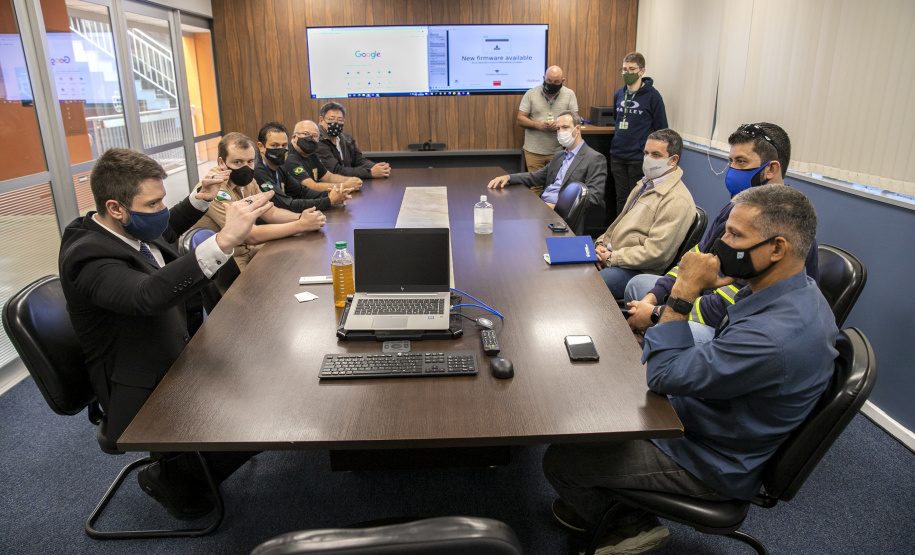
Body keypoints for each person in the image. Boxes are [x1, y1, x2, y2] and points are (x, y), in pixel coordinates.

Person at [544, 185, 838, 554]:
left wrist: (684, 289)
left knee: (562, 459)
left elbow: (663, 375)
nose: (721, 245)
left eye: (734, 235)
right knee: (600, 408)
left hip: (713, 461)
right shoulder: (792, 290)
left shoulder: (771, 337)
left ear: (778, 248)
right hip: (715, 418)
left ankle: (629, 527)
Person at [59, 148, 271, 521]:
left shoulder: (124, 232)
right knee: (258, 413)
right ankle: (172, 476)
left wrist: (197, 198)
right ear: (116, 207)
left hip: (171, 354)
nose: (160, 208)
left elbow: (165, 228)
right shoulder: (88, 256)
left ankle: (190, 467)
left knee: (261, 376)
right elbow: (147, 295)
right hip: (138, 385)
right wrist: (224, 241)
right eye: (152, 202)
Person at [624, 123, 819, 344]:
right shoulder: (736, 207)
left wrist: (658, 312)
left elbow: (730, 303)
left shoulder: (783, 223)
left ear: (771, 169)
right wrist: (654, 297)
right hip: (708, 297)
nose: (732, 169)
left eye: (741, 162)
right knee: (639, 285)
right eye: (731, 161)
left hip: (741, 325)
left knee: (658, 328)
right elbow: (695, 257)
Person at [195, 132, 327, 271]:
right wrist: (300, 225)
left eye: (250, 161)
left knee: (299, 259)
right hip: (227, 261)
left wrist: (304, 218)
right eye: (238, 162)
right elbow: (250, 235)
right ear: (222, 163)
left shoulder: (248, 181)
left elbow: (271, 212)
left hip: (248, 250)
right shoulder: (214, 188)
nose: (246, 167)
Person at [593, 128, 695, 298]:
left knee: (588, 284)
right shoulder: (645, 184)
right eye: (646, 153)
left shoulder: (677, 200)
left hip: (636, 271)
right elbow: (617, 224)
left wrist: (611, 258)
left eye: (656, 155)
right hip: (615, 256)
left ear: (673, 160)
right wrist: (600, 246)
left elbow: (657, 254)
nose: (648, 159)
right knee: (570, 266)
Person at [488, 111, 606, 228]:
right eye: (558, 128)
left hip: (562, 215)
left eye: (565, 127)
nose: (561, 132)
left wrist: (558, 206)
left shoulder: (594, 158)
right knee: (504, 212)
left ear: (578, 129)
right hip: (542, 206)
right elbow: (536, 177)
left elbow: (594, 197)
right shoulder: (559, 156)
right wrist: (508, 177)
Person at [609, 52, 668, 216]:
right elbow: (617, 118)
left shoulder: (653, 96)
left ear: (642, 71)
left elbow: (661, 129)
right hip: (618, 154)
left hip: (639, 157)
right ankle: (617, 234)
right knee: (621, 198)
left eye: (631, 69)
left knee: (638, 198)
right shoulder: (619, 94)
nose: (627, 73)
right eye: (624, 69)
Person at [254, 121, 352, 212]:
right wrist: (329, 201)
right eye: (274, 145)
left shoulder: (279, 165)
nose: (280, 149)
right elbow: (286, 204)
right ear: (261, 146)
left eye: (284, 145)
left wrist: (332, 195)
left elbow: (302, 192)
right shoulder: (258, 170)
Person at [518, 65, 580, 185]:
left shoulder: (569, 94)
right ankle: (535, 205)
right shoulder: (530, 94)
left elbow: (575, 119)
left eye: (556, 82)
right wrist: (537, 125)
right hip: (533, 150)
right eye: (549, 81)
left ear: (562, 81)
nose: (552, 84)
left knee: (555, 185)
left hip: (558, 150)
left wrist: (558, 125)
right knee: (535, 186)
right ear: (544, 78)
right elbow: (520, 119)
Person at [314, 102, 391, 179]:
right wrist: (369, 172)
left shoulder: (347, 139)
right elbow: (335, 170)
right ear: (321, 120)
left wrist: (377, 167)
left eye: (340, 120)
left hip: (350, 184)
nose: (335, 123)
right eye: (331, 119)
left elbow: (360, 161)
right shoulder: (317, 141)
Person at [286, 120, 363, 194]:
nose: (310, 138)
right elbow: (311, 187)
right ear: (294, 137)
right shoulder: (289, 157)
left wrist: (351, 180)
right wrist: (345, 186)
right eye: (306, 134)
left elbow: (329, 177)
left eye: (314, 136)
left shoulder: (311, 154)